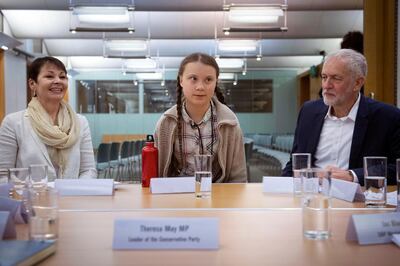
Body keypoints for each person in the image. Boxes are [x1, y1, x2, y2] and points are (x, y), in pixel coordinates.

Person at [282, 49, 400, 185]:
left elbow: (396, 167)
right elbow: (295, 163)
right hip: (311, 196)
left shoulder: (388, 117)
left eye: (336, 78)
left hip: (356, 200)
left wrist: (352, 176)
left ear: (357, 83)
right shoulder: (308, 112)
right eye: (324, 77)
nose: (326, 85)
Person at [0, 56, 97, 180]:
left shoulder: (80, 122)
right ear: (32, 84)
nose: (58, 81)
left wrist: (74, 192)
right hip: (30, 198)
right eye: (49, 76)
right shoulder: (13, 123)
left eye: (62, 77)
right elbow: (3, 175)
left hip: (70, 198)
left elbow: (88, 170)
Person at [155, 53, 247, 183]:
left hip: (218, 196)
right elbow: (157, 175)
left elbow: (238, 178)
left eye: (208, 80)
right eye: (193, 78)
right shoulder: (166, 123)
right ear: (181, 80)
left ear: (216, 82)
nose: (200, 87)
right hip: (177, 195)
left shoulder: (230, 123)